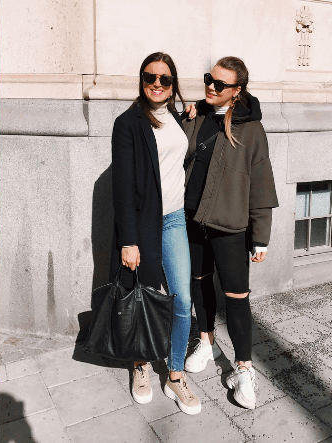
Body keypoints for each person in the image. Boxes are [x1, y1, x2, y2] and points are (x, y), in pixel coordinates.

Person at [181, 56, 278, 409]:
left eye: (220, 84)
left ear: (236, 91)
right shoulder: (199, 116)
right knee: (199, 281)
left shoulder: (251, 129)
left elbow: (262, 184)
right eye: (209, 79)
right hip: (191, 219)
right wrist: (185, 115)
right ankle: (205, 342)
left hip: (230, 227)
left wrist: (260, 235)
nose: (211, 86)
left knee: (237, 298)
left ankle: (243, 368)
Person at [110, 52, 200, 414]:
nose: (157, 84)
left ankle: (175, 375)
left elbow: (242, 106)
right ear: (141, 79)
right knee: (142, 298)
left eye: (165, 79)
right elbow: (122, 186)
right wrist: (128, 240)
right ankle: (140, 365)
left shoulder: (178, 116)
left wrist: (193, 111)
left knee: (181, 299)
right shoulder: (128, 123)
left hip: (175, 219)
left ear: (174, 83)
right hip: (145, 224)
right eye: (150, 77)